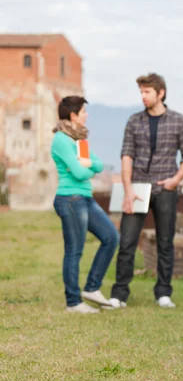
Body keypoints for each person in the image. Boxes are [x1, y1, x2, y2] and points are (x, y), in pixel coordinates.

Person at [109, 73, 183, 309]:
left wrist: (174, 181)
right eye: (141, 92)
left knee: (165, 242)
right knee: (127, 242)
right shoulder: (134, 121)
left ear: (161, 93)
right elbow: (127, 155)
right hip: (136, 187)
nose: (143, 96)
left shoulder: (179, 121)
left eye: (147, 92)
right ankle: (119, 294)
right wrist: (127, 190)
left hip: (165, 189)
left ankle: (163, 293)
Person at [51, 96, 119, 314]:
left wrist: (88, 165)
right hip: (70, 199)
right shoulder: (61, 139)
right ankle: (73, 302)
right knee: (74, 250)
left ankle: (92, 288)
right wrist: (88, 167)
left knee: (111, 237)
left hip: (85, 198)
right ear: (73, 115)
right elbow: (82, 172)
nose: (87, 115)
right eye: (83, 112)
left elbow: (98, 163)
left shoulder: (78, 140)